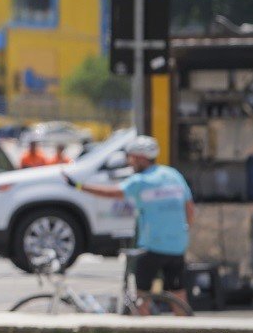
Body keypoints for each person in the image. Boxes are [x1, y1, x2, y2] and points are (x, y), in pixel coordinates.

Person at [64, 134, 193, 315]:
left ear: (141, 158)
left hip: (152, 246)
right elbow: (189, 206)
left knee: (142, 296)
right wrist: (184, 229)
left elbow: (110, 193)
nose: (129, 161)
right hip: (178, 245)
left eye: (131, 157)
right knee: (178, 294)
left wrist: (78, 186)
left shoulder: (140, 181)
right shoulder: (173, 175)